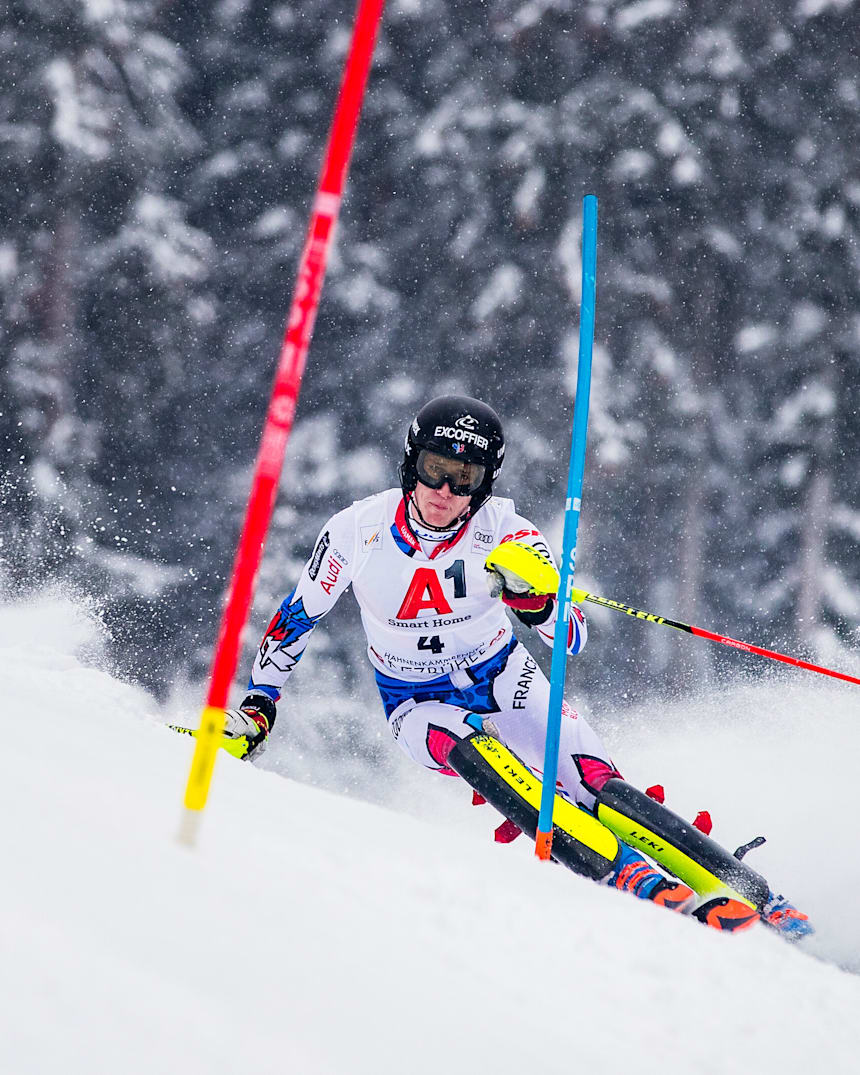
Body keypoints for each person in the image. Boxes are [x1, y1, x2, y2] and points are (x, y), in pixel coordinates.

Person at [220, 395, 812, 937]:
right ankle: (634, 876)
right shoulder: (357, 531)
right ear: (411, 463)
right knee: (485, 759)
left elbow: (573, 637)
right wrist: (259, 705)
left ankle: (748, 891)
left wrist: (536, 603)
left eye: (464, 478)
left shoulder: (508, 532)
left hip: (505, 675)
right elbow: (296, 618)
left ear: (484, 483)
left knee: (592, 780)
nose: (445, 492)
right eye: (434, 470)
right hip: (417, 699)